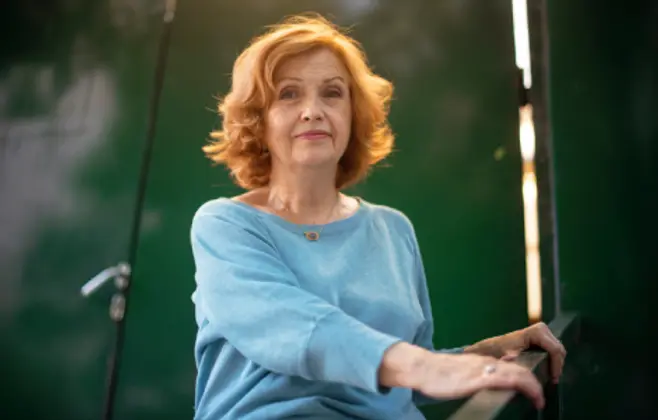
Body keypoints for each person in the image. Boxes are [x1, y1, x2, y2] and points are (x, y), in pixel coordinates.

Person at [190, 14, 566, 420]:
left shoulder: (393, 229)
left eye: (332, 93)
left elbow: (401, 372)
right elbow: (294, 327)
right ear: (258, 121)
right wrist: (427, 367)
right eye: (288, 94)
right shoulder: (225, 225)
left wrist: (489, 354)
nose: (312, 110)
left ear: (354, 114)